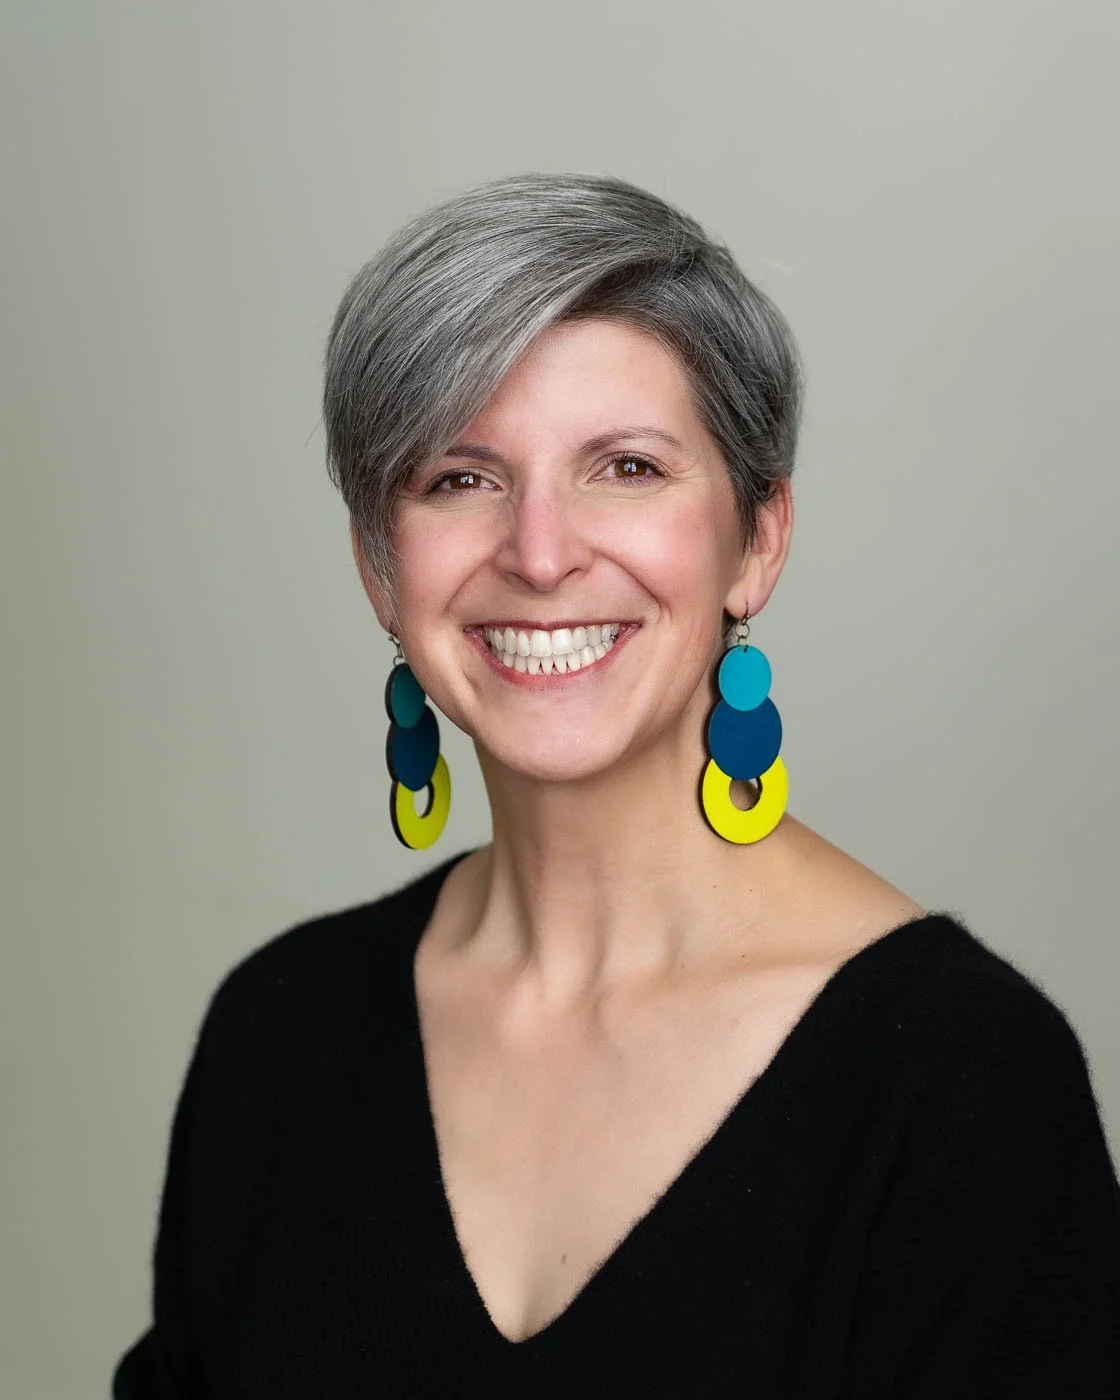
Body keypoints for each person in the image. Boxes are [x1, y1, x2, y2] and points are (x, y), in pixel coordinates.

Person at [113, 172, 1120, 1397]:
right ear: (382, 570)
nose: (540, 553)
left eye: (627, 467)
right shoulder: (276, 1035)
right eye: (458, 477)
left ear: (758, 539)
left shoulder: (963, 1086)